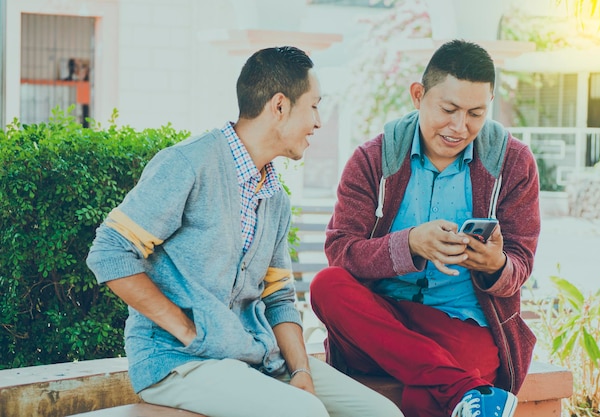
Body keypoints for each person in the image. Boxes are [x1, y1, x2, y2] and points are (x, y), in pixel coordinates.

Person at [86, 46, 403, 417]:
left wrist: (301, 370)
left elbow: (279, 296)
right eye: (314, 106)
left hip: (258, 358)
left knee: (381, 414)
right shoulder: (189, 164)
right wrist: (189, 332)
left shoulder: (276, 198)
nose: (319, 122)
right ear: (280, 106)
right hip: (178, 362)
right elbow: (109, 251)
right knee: (303, 414)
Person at [310, 39, 540, 417]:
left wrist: (495, 265)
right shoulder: (372, 160)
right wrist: (411, 244)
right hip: (381, 320)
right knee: (326, 286)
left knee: (430, 390)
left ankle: (451, 385)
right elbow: (341, 251)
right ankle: (465, 390)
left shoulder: (512, 163)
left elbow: (521, 265)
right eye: (448, 109)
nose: (459, 127)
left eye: (475, 113)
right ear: (418, 95)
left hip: (460, 325)